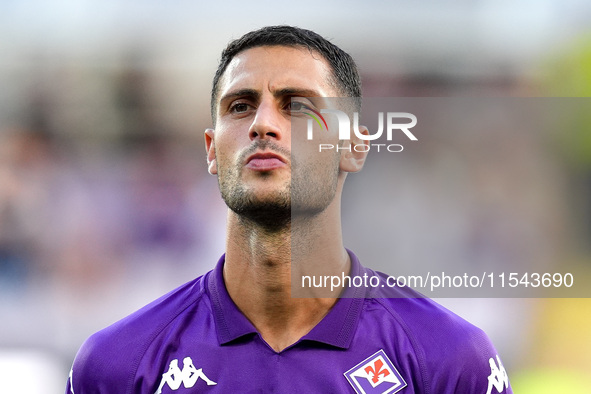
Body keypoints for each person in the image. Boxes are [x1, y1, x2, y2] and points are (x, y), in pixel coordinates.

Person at [66, 25, 512, 394]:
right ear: (211, 150)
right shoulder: (117, 365)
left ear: (353, 148)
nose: (262, 124)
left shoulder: (448, 359)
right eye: (240, 107)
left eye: (297, 106)